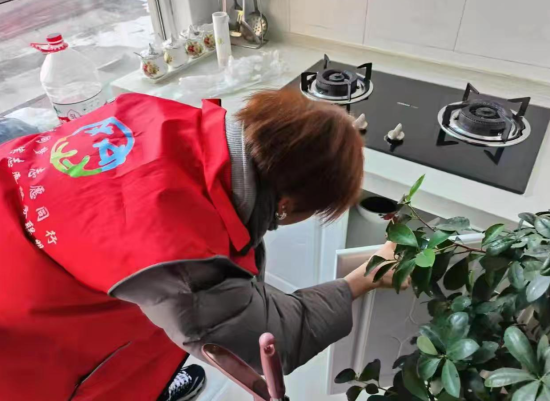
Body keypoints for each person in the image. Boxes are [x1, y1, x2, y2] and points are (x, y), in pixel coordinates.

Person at [0, 89, 405, 401]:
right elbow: (273, 337)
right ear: (286, 204)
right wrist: (365, 277)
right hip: (23, 316)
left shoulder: (163, 116)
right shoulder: (180, 255)